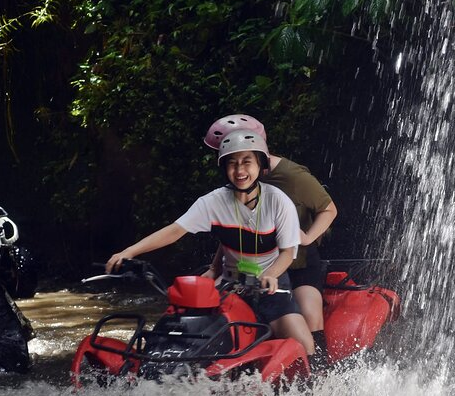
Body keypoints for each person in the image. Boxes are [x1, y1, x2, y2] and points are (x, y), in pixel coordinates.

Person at [106, 129, 315, 356]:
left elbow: (287, 252)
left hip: (271, 288)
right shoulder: (213, 201)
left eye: (247, 161)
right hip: (229, 287)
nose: (240, 170)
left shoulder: (278, 201)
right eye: (232, 163)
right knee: (183, 330)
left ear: (260, 165)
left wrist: (272, 275)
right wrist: (130, 251)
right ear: (224, 168)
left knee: (304, 344)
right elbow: (175, 231)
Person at [204, 115, 337, 370]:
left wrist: (307, 237)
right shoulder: (240, 178)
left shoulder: (292, 176)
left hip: (298, 264)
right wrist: (215, 268)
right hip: (257, 265)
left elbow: (329, 209)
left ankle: (322, 378)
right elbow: (235, 229)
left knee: (309, 317)